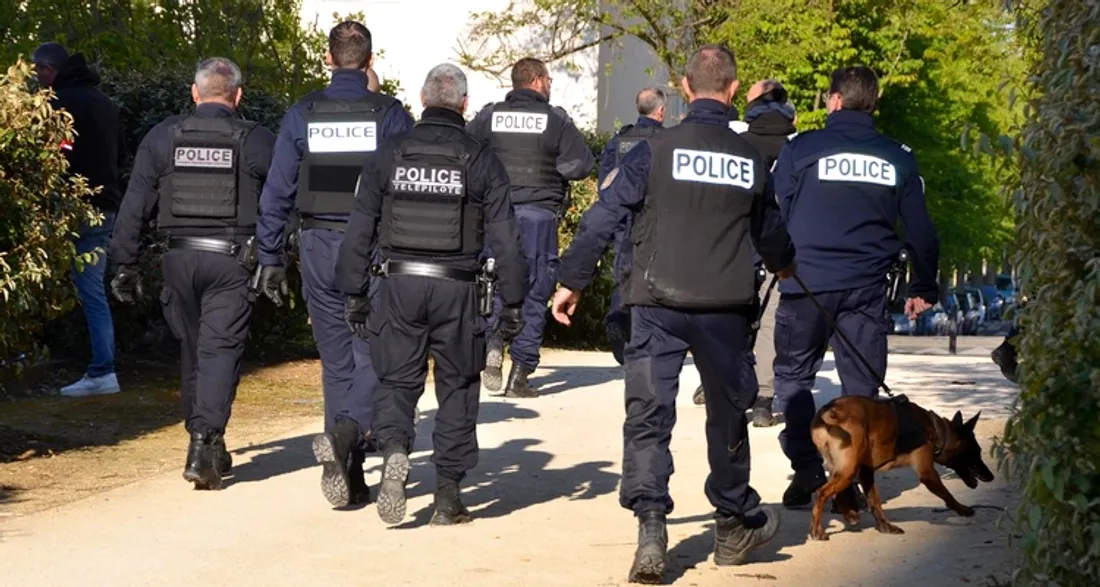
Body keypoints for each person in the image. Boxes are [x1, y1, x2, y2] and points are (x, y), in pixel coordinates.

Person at [550, 45, 795, 584]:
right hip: (724, 309)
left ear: (685, 87)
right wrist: (784, 267)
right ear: (733, 91)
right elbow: (772, 232)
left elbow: (602, 217)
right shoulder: (750, 159)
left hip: (656, 303)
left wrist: (571, 281)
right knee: (729, 415)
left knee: (648, 416)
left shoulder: (653, 151)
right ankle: (733, 524)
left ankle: (651, 532)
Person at [335, 63, 528, 526]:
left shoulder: (389, 153)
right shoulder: (481, 159)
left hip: (398, 285)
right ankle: (447, 496)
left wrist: (354, 293)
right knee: (458, 385)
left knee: (397, 383)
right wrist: (515, 302)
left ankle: (397, 448)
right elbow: (506, 239)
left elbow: (360, 228)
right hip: (457, 289)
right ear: (464, 104)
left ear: (422, 101)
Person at [254, 21, 415, 508]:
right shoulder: (389, 114)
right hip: (372, 249)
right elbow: (405, 188)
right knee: (371, 354)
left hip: (319, 243)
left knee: (336, 360)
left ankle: (347, 470)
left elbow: (277, 190)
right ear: (369, 62)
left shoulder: (303, 113)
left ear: (328, 58)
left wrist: (269, 256)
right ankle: (347, 439)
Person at [770, 66, 940, 510]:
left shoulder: (800, 149)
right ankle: (856, 483)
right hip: (866, 289)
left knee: (792, 379)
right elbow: (922, 231)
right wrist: (924, 285)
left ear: (833, 100)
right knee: (862, 391)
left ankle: (807, 466)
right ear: (874, 104)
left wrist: (768, 265)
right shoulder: (898, 157)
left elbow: (772, 214)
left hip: (805, 284)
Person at [108, 57, 276, 490]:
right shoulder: (254, 140)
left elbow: (135, 203)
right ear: (237, 96)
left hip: (178, 261)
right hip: (231, 261)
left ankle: (206, 441)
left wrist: (124, 262)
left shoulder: (164, 136)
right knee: (218, 351)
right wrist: (276, 255)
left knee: (194, 350)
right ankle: (205, 442)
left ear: (194, 93)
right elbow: (282, 202)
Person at [467, 57, 596, 398]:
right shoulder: (555, 120)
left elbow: (465, 155)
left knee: (493, 283)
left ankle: (495, 340)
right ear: (538, 81)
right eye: (549, 79)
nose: (550, 85)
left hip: (496, 216)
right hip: (538, 217)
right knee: (536, 292)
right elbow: (582, 164)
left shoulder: (488, 116)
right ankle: (519, 376)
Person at [694, 79, 800, 426]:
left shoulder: (736, 144)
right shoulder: (797, 147)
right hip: (779, 240)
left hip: (735, 240)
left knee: (727, 313)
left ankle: (716, 383)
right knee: (771, 319)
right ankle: (764, 400)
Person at [32, 42, 123, 397]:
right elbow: (120, 153)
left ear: (48, 69)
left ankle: (102, 369)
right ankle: (100, 365)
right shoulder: (104, 102)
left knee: (80, 287)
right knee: (92, 287)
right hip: (106, 203)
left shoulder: (60, 102)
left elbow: (57, 155)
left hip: (73, 207)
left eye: (37, 71)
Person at [598, 87, 666, 365]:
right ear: (661, 111)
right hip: (654, 225)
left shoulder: (618, 141)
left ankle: (618, 317)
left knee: (623, 276)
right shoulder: (666, 143)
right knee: (654, 281)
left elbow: (605, 185)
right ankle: (644, 339)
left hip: (623, 221)